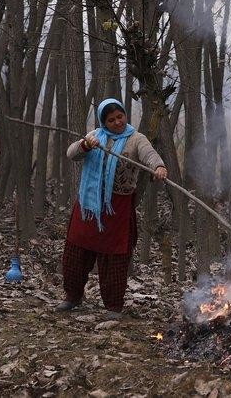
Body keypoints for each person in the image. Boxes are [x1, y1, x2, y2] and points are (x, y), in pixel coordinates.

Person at [56, 98, 168, 319]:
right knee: (76, 253)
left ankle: (113, 307)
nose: (117, 122)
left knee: (115, 258)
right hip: (88, 206)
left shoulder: (136, 139)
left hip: (117, 209)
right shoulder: (96, 136)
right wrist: (85, 145)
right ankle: (72, 297)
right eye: (111, 120)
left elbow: (149, 154)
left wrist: (159, 166)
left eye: (120, 117)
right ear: (103, 122)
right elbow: (71, 154)